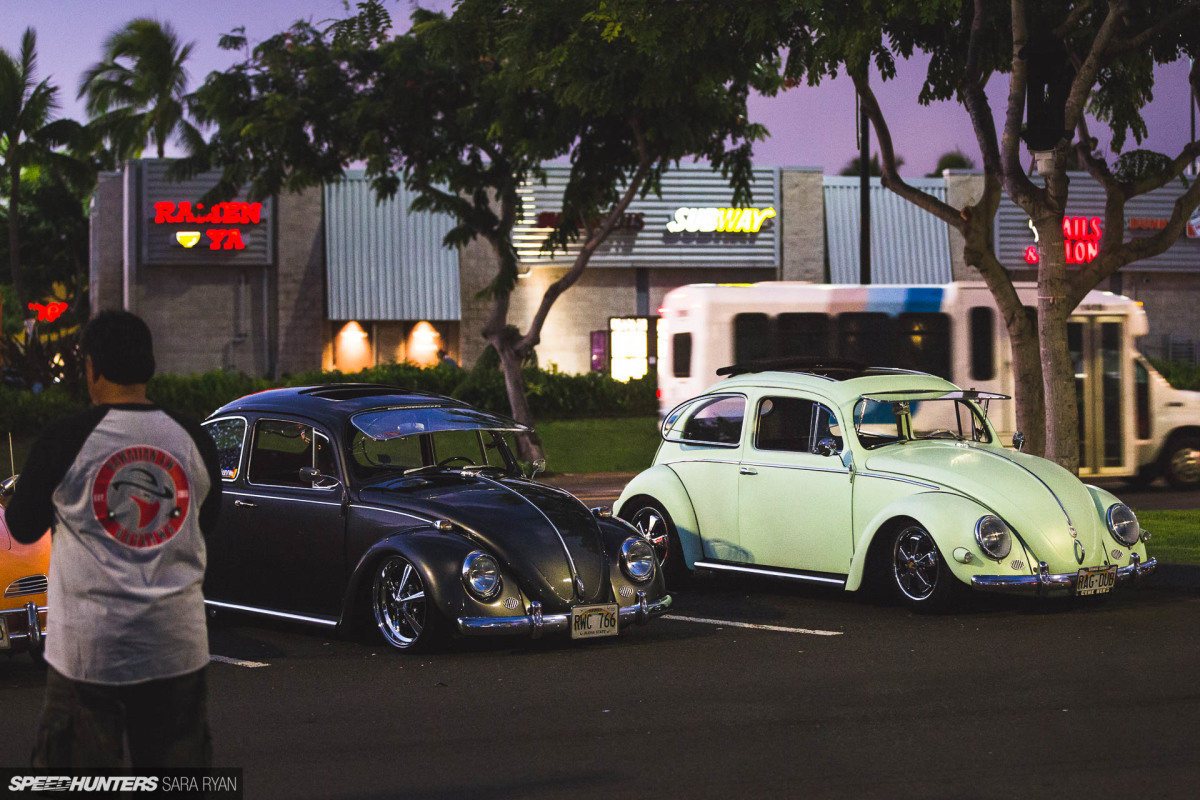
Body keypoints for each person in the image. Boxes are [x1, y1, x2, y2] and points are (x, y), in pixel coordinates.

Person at [4, 310, 222, 768]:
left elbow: (21, 526)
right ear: (150, 365)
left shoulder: (63, 440)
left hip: (89, 654)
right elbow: (207, 523)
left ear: (92, 368)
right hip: (176, 649)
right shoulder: (192, 439)